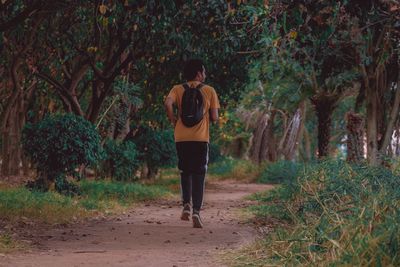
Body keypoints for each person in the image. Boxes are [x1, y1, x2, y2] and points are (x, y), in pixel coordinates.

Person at [164, 59, 220, 228]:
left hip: (181, 137)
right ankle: (196, 211)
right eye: (203, 71)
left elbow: (167, 103)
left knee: (185, 171)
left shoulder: (177, 89)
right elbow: (215, 117)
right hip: (201, 139)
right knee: (199, 173)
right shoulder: (209, 90)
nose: (205, 74)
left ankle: (186, 205)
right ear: (198, 73)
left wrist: (173, 119)